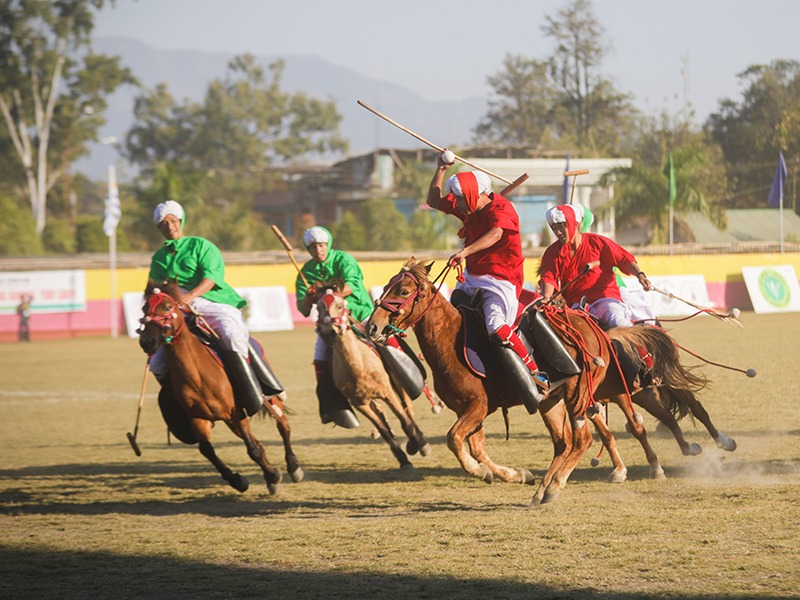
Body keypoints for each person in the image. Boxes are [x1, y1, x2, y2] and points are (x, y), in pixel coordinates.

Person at [426, 151, 548, 404]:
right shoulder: (468, 208)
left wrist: (465, 251)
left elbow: (496, 234)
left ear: (471, 194)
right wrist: (440, 169)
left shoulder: (503, 208)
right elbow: (433, 200)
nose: (456, 204)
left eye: (460, 200)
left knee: (496, 327)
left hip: (501, 281)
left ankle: (536, 373)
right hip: (472, 278)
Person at [146, 200, 267, 416]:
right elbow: (153, 292)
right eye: (163, 223)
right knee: (157, 364)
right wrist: (150, 321)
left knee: (231, 334)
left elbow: (211, 278)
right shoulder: (158, 259)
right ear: (159, 228)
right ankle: (180, 406)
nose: (170, 226)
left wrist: (189, 297)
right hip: (177, 311)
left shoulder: (201, 246)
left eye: (173, 221)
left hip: (212, 303)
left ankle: (258, 387)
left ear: (181, 221)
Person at [295, 226, 373, 429]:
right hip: (330, 325)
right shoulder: (306, 272)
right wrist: (309, 296)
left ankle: (412, 377)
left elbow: (352, 285)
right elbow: (303, 309)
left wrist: (326, 293)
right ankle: (329, 405)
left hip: (359, 313)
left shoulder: (343, 260)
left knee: (384, 340)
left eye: (321, 245)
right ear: (308, 249)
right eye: (313, 247)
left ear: (327, 245)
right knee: (320, 358)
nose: (318, 250)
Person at [538, 203, 653, 329]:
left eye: (561, 227)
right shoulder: (551, 253)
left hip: (605, 301)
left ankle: (634, 346)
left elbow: (623, 258)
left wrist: (640, 275)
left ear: (575, 225)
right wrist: (546, 298)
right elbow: (548, 277)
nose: (558, 232)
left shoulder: (598, 242)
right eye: (554, 228)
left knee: (619, 323)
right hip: (577, 306)